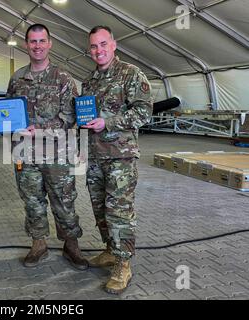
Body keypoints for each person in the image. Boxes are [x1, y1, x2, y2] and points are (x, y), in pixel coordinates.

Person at [6, 24, 88, 270]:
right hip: (25, 154)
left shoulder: (63, 78)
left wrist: (39, 130)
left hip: (58, 155)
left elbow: (70, 117)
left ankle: (71, 245)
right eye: (33, 41)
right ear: (27, 44)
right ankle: (38, 244)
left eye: (42, 41)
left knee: (64, 200)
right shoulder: (17, 78)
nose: (37, 46)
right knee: (32, 200)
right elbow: (10, 113)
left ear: (49, 44)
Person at [81, 26, 152, 294]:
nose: (98, 50)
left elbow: (144, 111)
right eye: (93, 47)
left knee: (119, 211)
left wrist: (108, 122)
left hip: (121, 158)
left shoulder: (131, 74)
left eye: (103, 44)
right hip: (96, 157)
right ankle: (110, 250)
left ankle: (123, 263)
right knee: (99, 209)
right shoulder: (89, 81)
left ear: (114, 44)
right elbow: (86, 119)